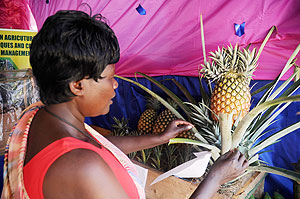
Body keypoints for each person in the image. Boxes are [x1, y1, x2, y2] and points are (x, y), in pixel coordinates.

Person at [1, 10, 248, 199]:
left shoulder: (42, 117)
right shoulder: (83, 167)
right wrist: (214, 178)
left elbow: (98, 145)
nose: (115, 86)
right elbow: (86, 157)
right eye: (109, 78)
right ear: (78, 85)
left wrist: (158, 138)